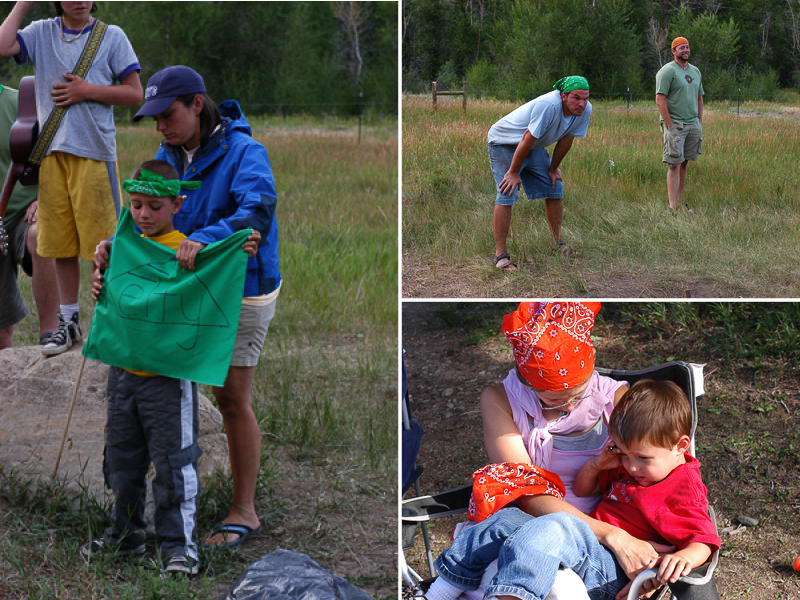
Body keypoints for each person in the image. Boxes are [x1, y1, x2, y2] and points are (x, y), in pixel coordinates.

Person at [97, 64, 280, 548]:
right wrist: (115, 248)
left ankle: (245, 510)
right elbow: (146, 213)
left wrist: (203, 238)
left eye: (166, 114)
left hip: (242, 288)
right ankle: (160, 502)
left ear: (197, 104)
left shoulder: (245, 152)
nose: (159, 126)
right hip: (187, 291)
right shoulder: (168, 155)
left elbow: (255, 213)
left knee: (229, 398)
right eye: (153, 118)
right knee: (167, 387)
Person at [82, 161, 260, 575]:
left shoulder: (187, 250)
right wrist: (100, 280)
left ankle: (179, 547)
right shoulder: (122, 244)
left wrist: (241, 245)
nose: (144, 214)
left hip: (166, 383)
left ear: (178, 204)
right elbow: (116, 291)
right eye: (137, 205)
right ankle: (124, 536)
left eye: (155, 207)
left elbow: (231, 252)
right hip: (123, 376)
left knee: (173, 465)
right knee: (122, 461)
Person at [427, 379, 720, 600]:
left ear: (681, 446)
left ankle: (513, 595)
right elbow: (583, 487)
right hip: (587, 546)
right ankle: (438, 590)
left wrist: (680, 560)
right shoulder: (632, 466)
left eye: (642, 458)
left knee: (553, 527)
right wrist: (596, 465)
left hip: (612, 570)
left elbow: (704, 542)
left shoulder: (682, 487)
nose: (630, 467)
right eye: (624, 454)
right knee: (504, 520)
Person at [0, 1, 143, 356]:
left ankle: (115, 322)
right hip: (51, 158)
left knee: (106, 245)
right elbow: (3, 47)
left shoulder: (112, 36)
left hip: (93, 154)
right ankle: (69, 322)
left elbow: (134, 92)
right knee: (59, 245)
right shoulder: (42, 32)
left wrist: (87, 90)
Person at [487, 77, 592, 271]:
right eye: (576, 98)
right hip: (504, 141)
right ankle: (500, 256)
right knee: (507, 191)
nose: (581, 104)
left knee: (555, 186)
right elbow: (526, 138)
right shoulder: (549, 105)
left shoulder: (585, 110)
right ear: (563, 96)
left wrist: (553, 169)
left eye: (585, 99)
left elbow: (566, 141)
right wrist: (512, 172)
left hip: (532, 145)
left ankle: (556, 245)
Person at [0, 82, 59, 349]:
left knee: (41, 234)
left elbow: (58, 157)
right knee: (1, 334)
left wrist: (43, 198)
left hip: (25, 215)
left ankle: (51, 333)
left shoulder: (23, 102)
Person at [655, 37, 704, 213]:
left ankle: (680, 202)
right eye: (681, 48)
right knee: (673, 164)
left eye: (687, 47)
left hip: (693, 125)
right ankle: (672, 207)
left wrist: (699, 121)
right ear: (674, 51)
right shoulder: (667, 71)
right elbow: (660, 99)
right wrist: (670, 124)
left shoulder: (695, 71)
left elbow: (699, 97)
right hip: (675, 125)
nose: (685, 50)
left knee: (684, 163)